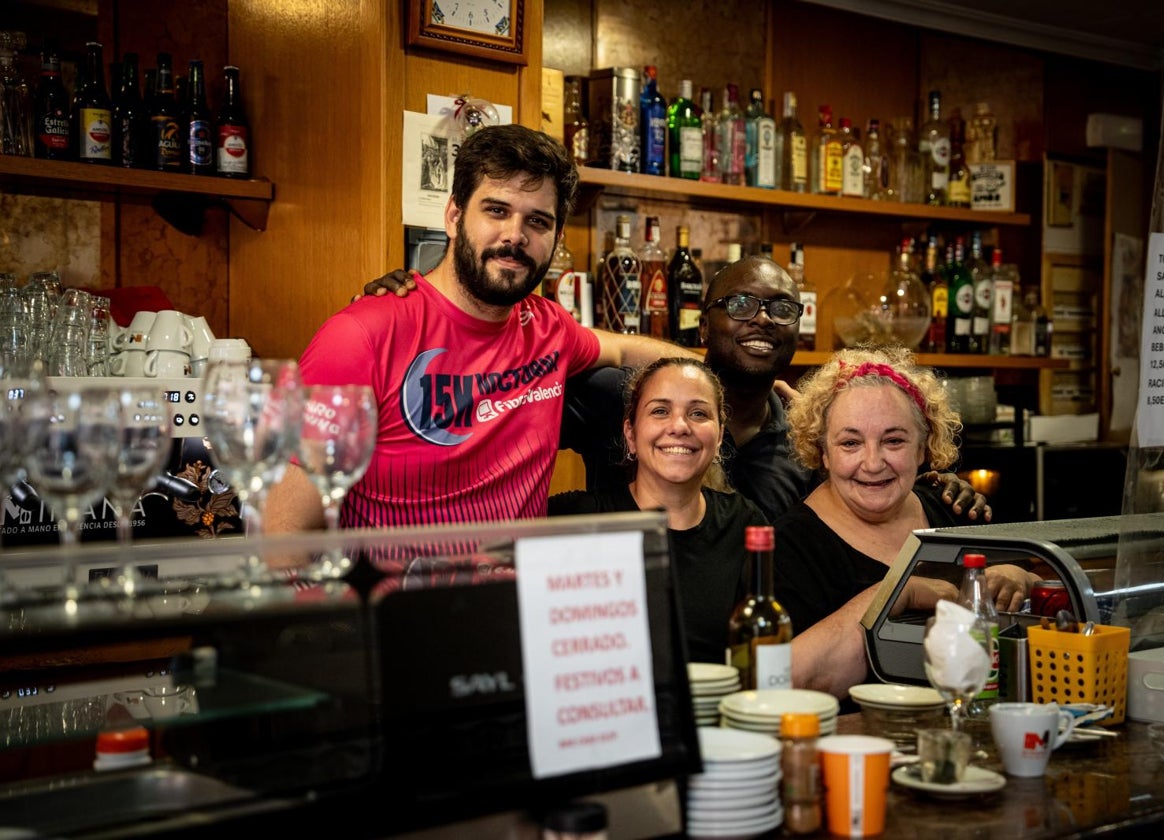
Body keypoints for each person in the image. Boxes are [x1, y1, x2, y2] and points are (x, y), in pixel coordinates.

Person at [263, 125, 695, 535]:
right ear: (453, 215)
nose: (515, 235)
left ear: (556, 236)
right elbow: (283, 537)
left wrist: (740, 377)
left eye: (538, 222)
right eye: (496, 210)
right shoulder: (360, 337)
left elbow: (622, 350)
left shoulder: (548, 326)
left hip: (519, 600)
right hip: (400, 604)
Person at [361, 255, 990, 524]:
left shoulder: (811, 436)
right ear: (703, 321)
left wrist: (930, 488)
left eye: (780, 308)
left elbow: (867, 485)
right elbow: (494, 396)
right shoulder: (622, 395)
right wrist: (424, 305)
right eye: (739, 304)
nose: (761, 319)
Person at [773, 346, 1040, 699]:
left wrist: (1018, 579)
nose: (873, 462)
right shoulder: (789, 546)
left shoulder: (951, 508)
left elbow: (1039, 598)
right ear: (823, 452)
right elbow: (782, 681)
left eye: (894, 440)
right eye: (850, 442)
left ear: (923, 448)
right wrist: (899, 592)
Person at [549, 356, 767, 664]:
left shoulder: (746, 524)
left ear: (719, 437)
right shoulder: (574, 521)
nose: (679, 426)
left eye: (698, 413)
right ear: (630, 434)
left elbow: (763, 648)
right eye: (660, 411)